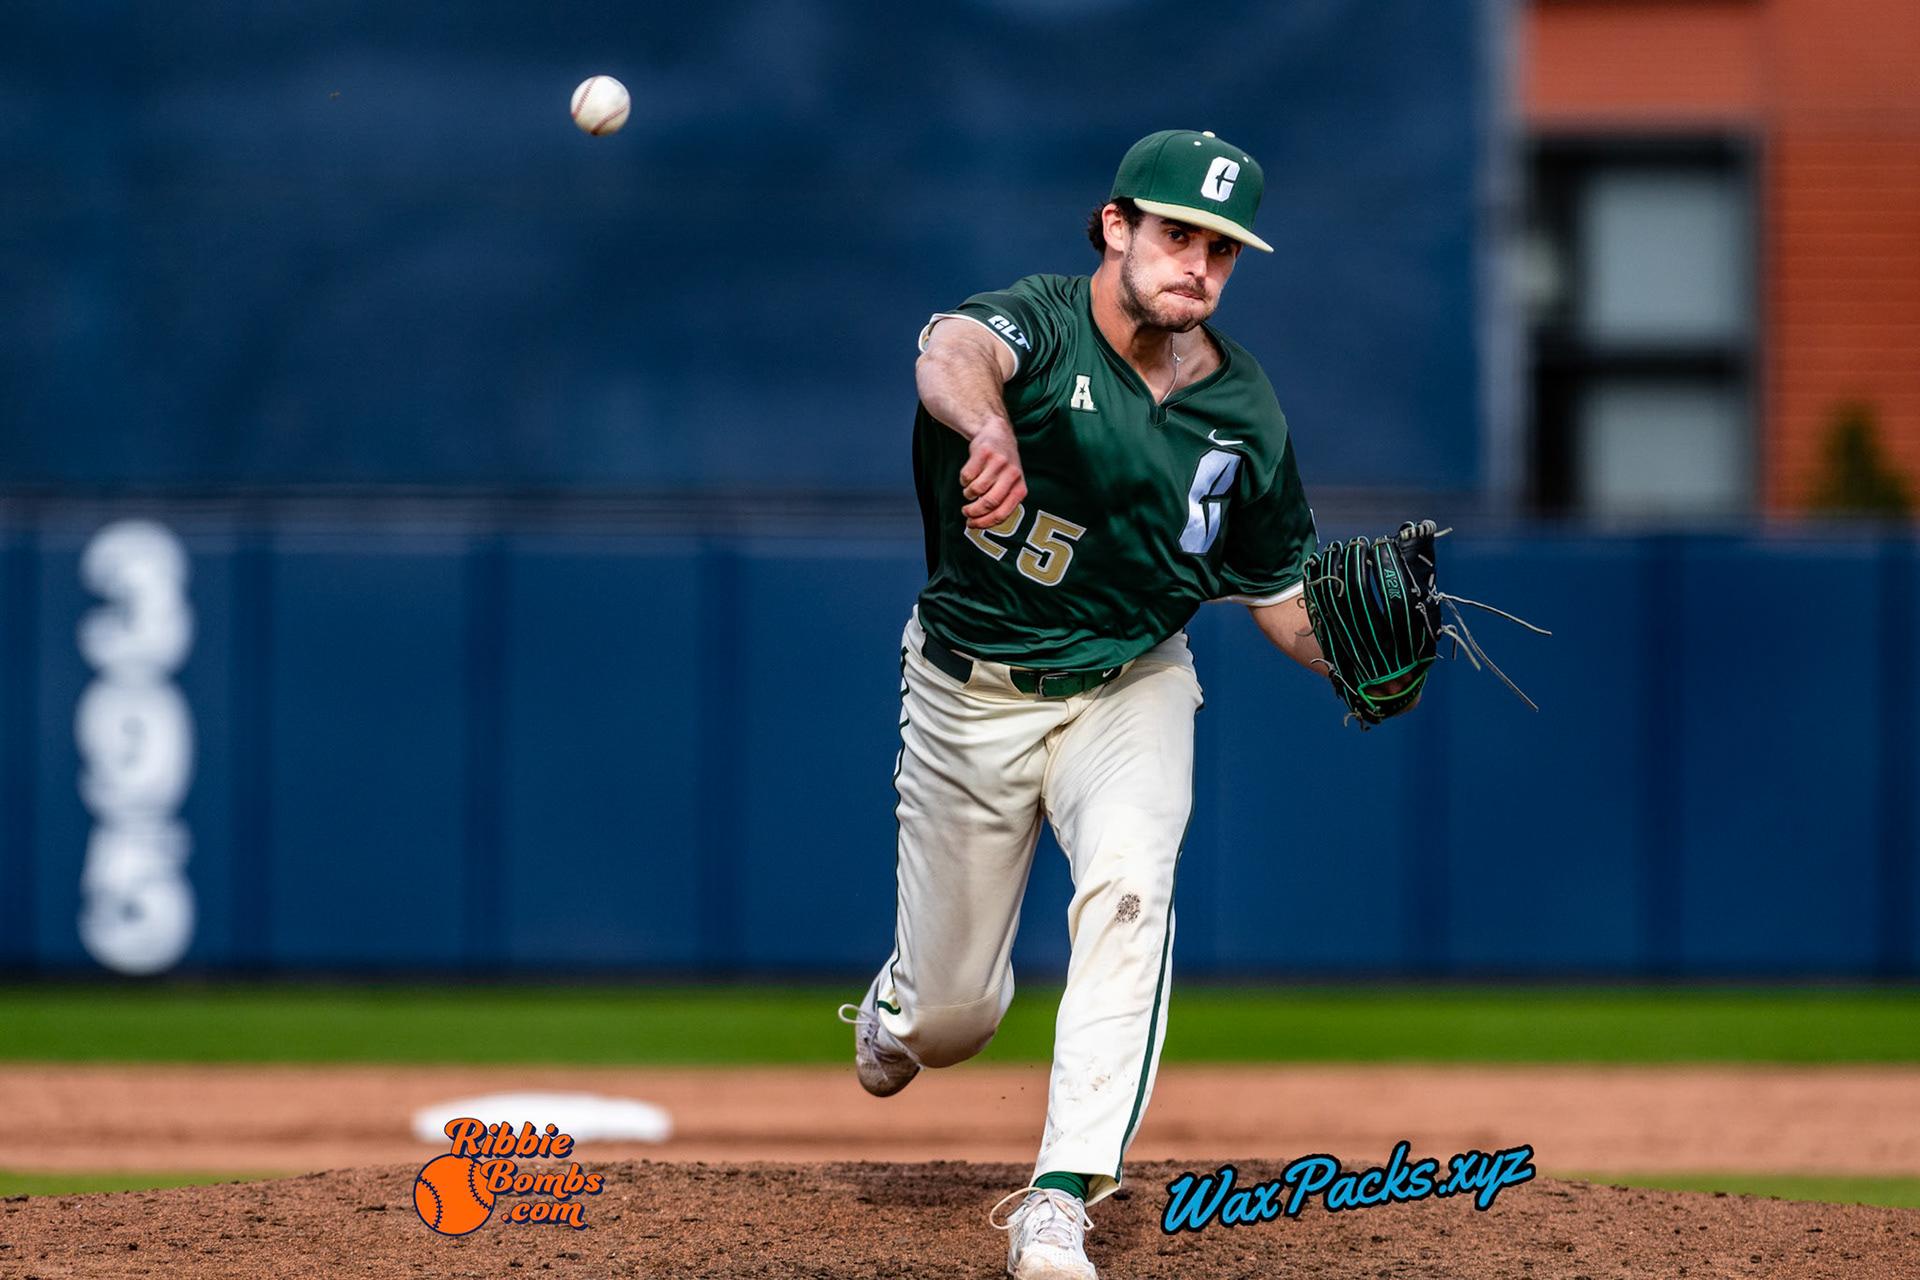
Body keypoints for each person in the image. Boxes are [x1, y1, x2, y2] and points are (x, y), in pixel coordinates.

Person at [839, 129, 1338, 1280]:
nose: (1198, 265)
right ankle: (905, 1005)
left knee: (1131, 894)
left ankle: (1060, 1196)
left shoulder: (1244, 410)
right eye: (1177, 234)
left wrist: (1361, 653)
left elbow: (1279, 598)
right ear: (1116, 228)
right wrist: (991, 421)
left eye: (1222, 247)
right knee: (954, 1020)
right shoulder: (1042, 321)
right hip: (973, 692)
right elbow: (950, 349)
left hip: (1132, 676)